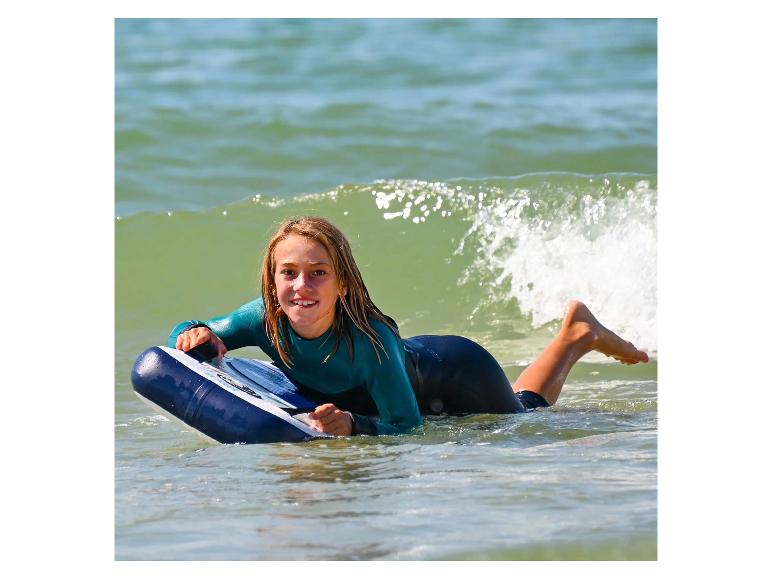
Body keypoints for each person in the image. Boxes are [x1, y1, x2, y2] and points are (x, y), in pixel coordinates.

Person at [169, 216, 648, 437]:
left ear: (342, 284)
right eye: (288, 273)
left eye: (319, 273)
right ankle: (575, 334)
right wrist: (194, 333)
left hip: (458, 373)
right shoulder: (263, 319)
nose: (302, 286)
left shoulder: (368, 344)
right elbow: (196, 333)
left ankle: (576, 336)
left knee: (525, 418)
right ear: (271, 282)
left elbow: (407, 424)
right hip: (415, 364)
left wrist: (353, 424)